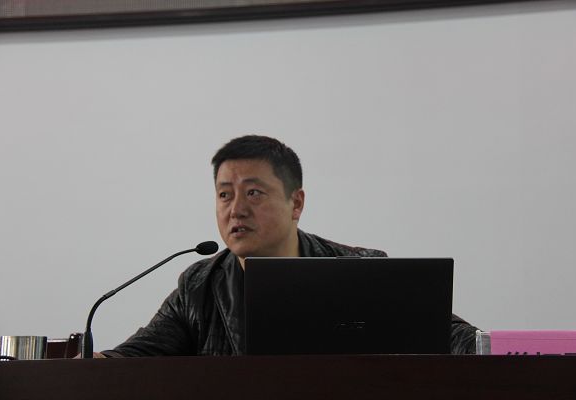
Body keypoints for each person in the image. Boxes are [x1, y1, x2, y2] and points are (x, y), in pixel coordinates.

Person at [98, 135, 477, 357]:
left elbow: (450, 337)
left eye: (253, 193)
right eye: (225, 194)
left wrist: (498, 348)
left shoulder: (360, 271)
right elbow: (133, 358)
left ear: (296, 203)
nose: (236, 209)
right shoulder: (198, 286)